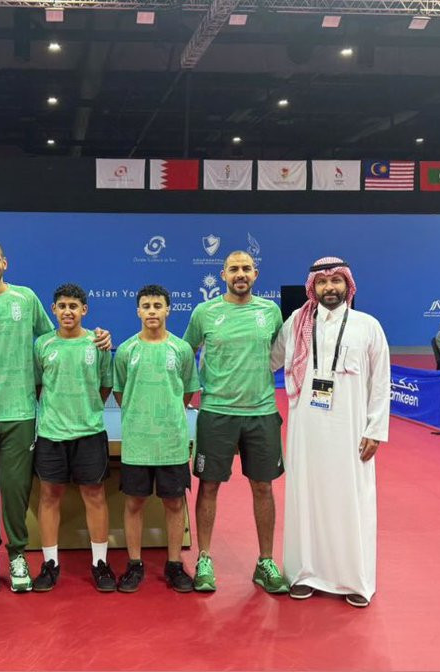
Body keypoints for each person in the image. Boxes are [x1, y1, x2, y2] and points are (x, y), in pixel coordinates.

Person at [0, 240, 111, 593]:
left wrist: (98, 337)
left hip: (19, 412)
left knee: (16, 489)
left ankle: (17, 553)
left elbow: (54, 339)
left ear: (5, 263)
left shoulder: (26, 298)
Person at [270, 257, 390, 608]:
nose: (329, 288)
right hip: (306, 429)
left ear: (348, 285)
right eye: (322, 282)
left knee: (352, 498)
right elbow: (268, 360)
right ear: (313, 288)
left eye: (336, 281)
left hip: (351, 430)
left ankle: (354, 579)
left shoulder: (367, 326)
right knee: (305, 496)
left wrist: (375, 429)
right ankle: (304, 573)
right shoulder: (297, 322)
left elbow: (380, 382)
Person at [182, 251, 287, 594]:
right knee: (209, 485)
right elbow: (184, 352)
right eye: (233, 269)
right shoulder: (204, 312)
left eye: (245, 269)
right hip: (217, 412)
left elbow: (282, 352)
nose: (240, 274)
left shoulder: (270, 312)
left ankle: (266, 561)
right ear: (223, 274)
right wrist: (186, 396)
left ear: (255, 274)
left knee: (263, 487)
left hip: (261, 412)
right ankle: (205, 558)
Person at [113, 285, 200, 594]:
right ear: (138, 311)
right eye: (146, 306)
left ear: (168, 310)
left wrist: (167, 416)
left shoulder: (181, 349)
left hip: (171, 442)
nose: (152, 311)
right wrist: (140, 417)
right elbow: (120, 393)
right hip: (137, 442)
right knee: (134, 502)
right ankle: (135, 564)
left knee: (175, 503)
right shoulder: (126, 351)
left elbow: (186, 392)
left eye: (157, 306)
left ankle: (174, 564)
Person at [31, 284, 116, 593]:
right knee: (49, 496)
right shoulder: (42, 345)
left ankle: (100, 563)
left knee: (95, 495)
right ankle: (50, 564)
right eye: (62, 306)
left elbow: (105, 386)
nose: (68, 311)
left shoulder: (98, 344)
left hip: (89, 433)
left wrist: (86, 410)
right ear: (53, 310)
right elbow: (38, 386)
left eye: (74, 306)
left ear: (84, 310)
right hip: (51, 434)